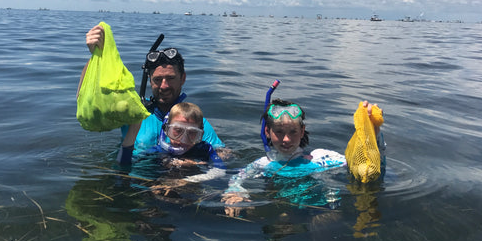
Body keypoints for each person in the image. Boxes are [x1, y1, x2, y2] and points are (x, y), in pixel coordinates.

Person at [82, 24, 225, 164]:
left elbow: (223, 154)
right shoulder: (133, 114)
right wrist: (95, 56)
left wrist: (192, 162)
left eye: (170, 78)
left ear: (183, 78)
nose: (164, 86)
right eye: (157, 80)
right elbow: (87, 101)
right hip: (133, 181)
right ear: (150, 81)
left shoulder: (193, 121)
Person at [221, 99, 386, 216]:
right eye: (279, 132)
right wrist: (235, 192)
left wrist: (373, 132)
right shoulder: (262, 164)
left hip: (325, 211)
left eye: (293, 132)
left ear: (302, 131)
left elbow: (363, 166)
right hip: (282, 210)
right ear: (267, 132)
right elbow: (237, 179)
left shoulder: (322, 157)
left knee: (322, 223)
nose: (286, 139)